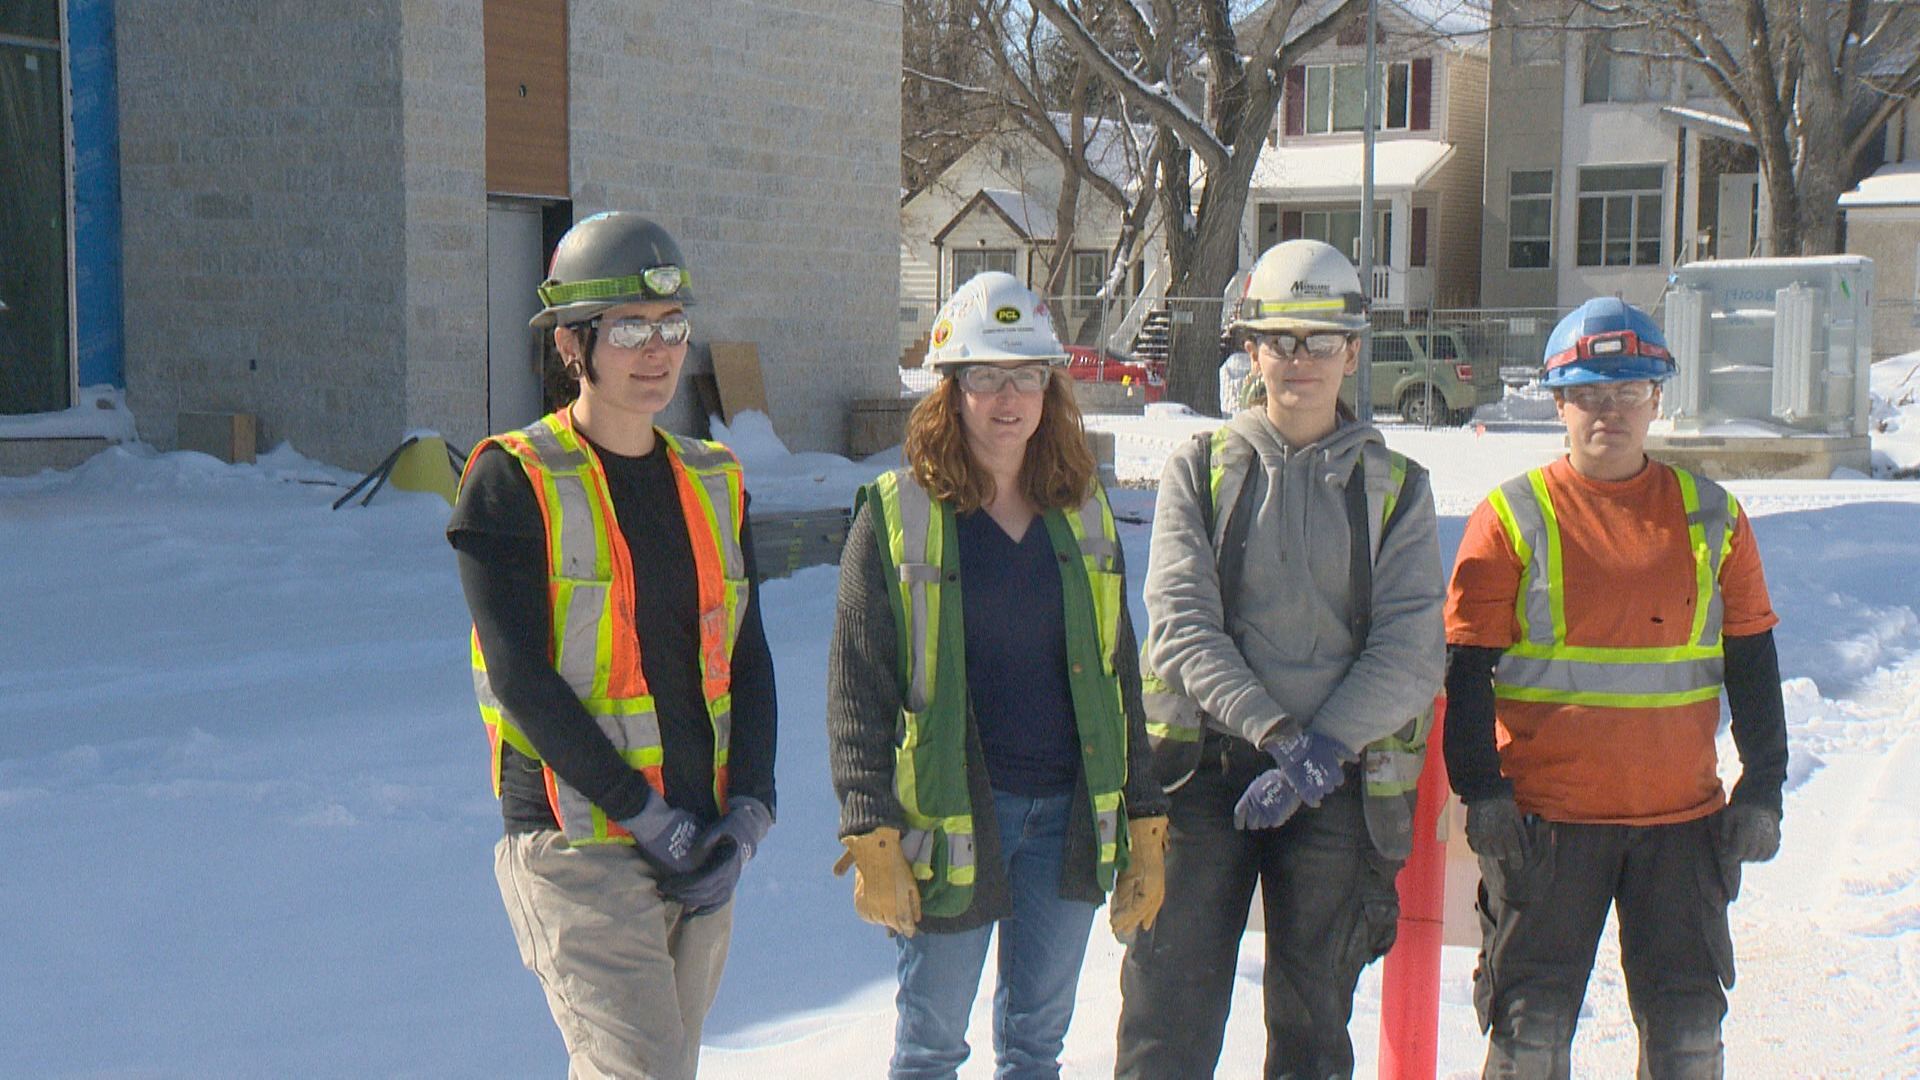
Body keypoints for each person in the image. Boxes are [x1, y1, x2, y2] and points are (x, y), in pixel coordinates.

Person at [447, 212, 778, 1080]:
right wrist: (642, 815)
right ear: (572, 344)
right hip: (580, 840)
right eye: (629, 328)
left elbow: (747, 657)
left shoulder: (714, 479)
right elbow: (521, 679)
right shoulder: (511, 480)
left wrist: (750, 808)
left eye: (673, 328)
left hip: (699, 836)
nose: (657, 351)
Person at [1116, 239, 1447, 1079]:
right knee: (1167, 1021)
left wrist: (1320, 752)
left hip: (1335, 787)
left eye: (1319, 342)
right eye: (1280, 341)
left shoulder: (1397, 489)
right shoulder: (1202, 469)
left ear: (1352, 352)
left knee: (1311, 1030)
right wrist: (1273, 733)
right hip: (1204, 775)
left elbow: (1411, 649)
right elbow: (1181, 625)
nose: (1298, 362)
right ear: (1251, 350)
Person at [827, 270, 1170, 1080]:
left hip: (1069, 818)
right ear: (951, 389)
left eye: (1028, 376)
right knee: (931, 1049)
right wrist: (867, 819)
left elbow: (1121, 674)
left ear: (1052, 388)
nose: (1008, 398)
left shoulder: (1082, 510)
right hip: (951, 821)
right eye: (985, 377)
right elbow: (855, 689)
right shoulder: (897, 514)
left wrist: (1146, 818)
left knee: (1035, 1050)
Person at [1444, 297, 1787, 1078]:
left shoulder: (1713, 519)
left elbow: (1754, 662)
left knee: (1688, 1041)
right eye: (1591, 394)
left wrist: (1763, 788)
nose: (1611, 411)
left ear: (1656, 399)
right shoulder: (1511, 518)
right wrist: (1481, 792)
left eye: (1629, 392)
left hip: (1681, 828)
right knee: (1529, 1041)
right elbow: (1465, 674)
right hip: (1545, 828)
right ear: (1559, 402)